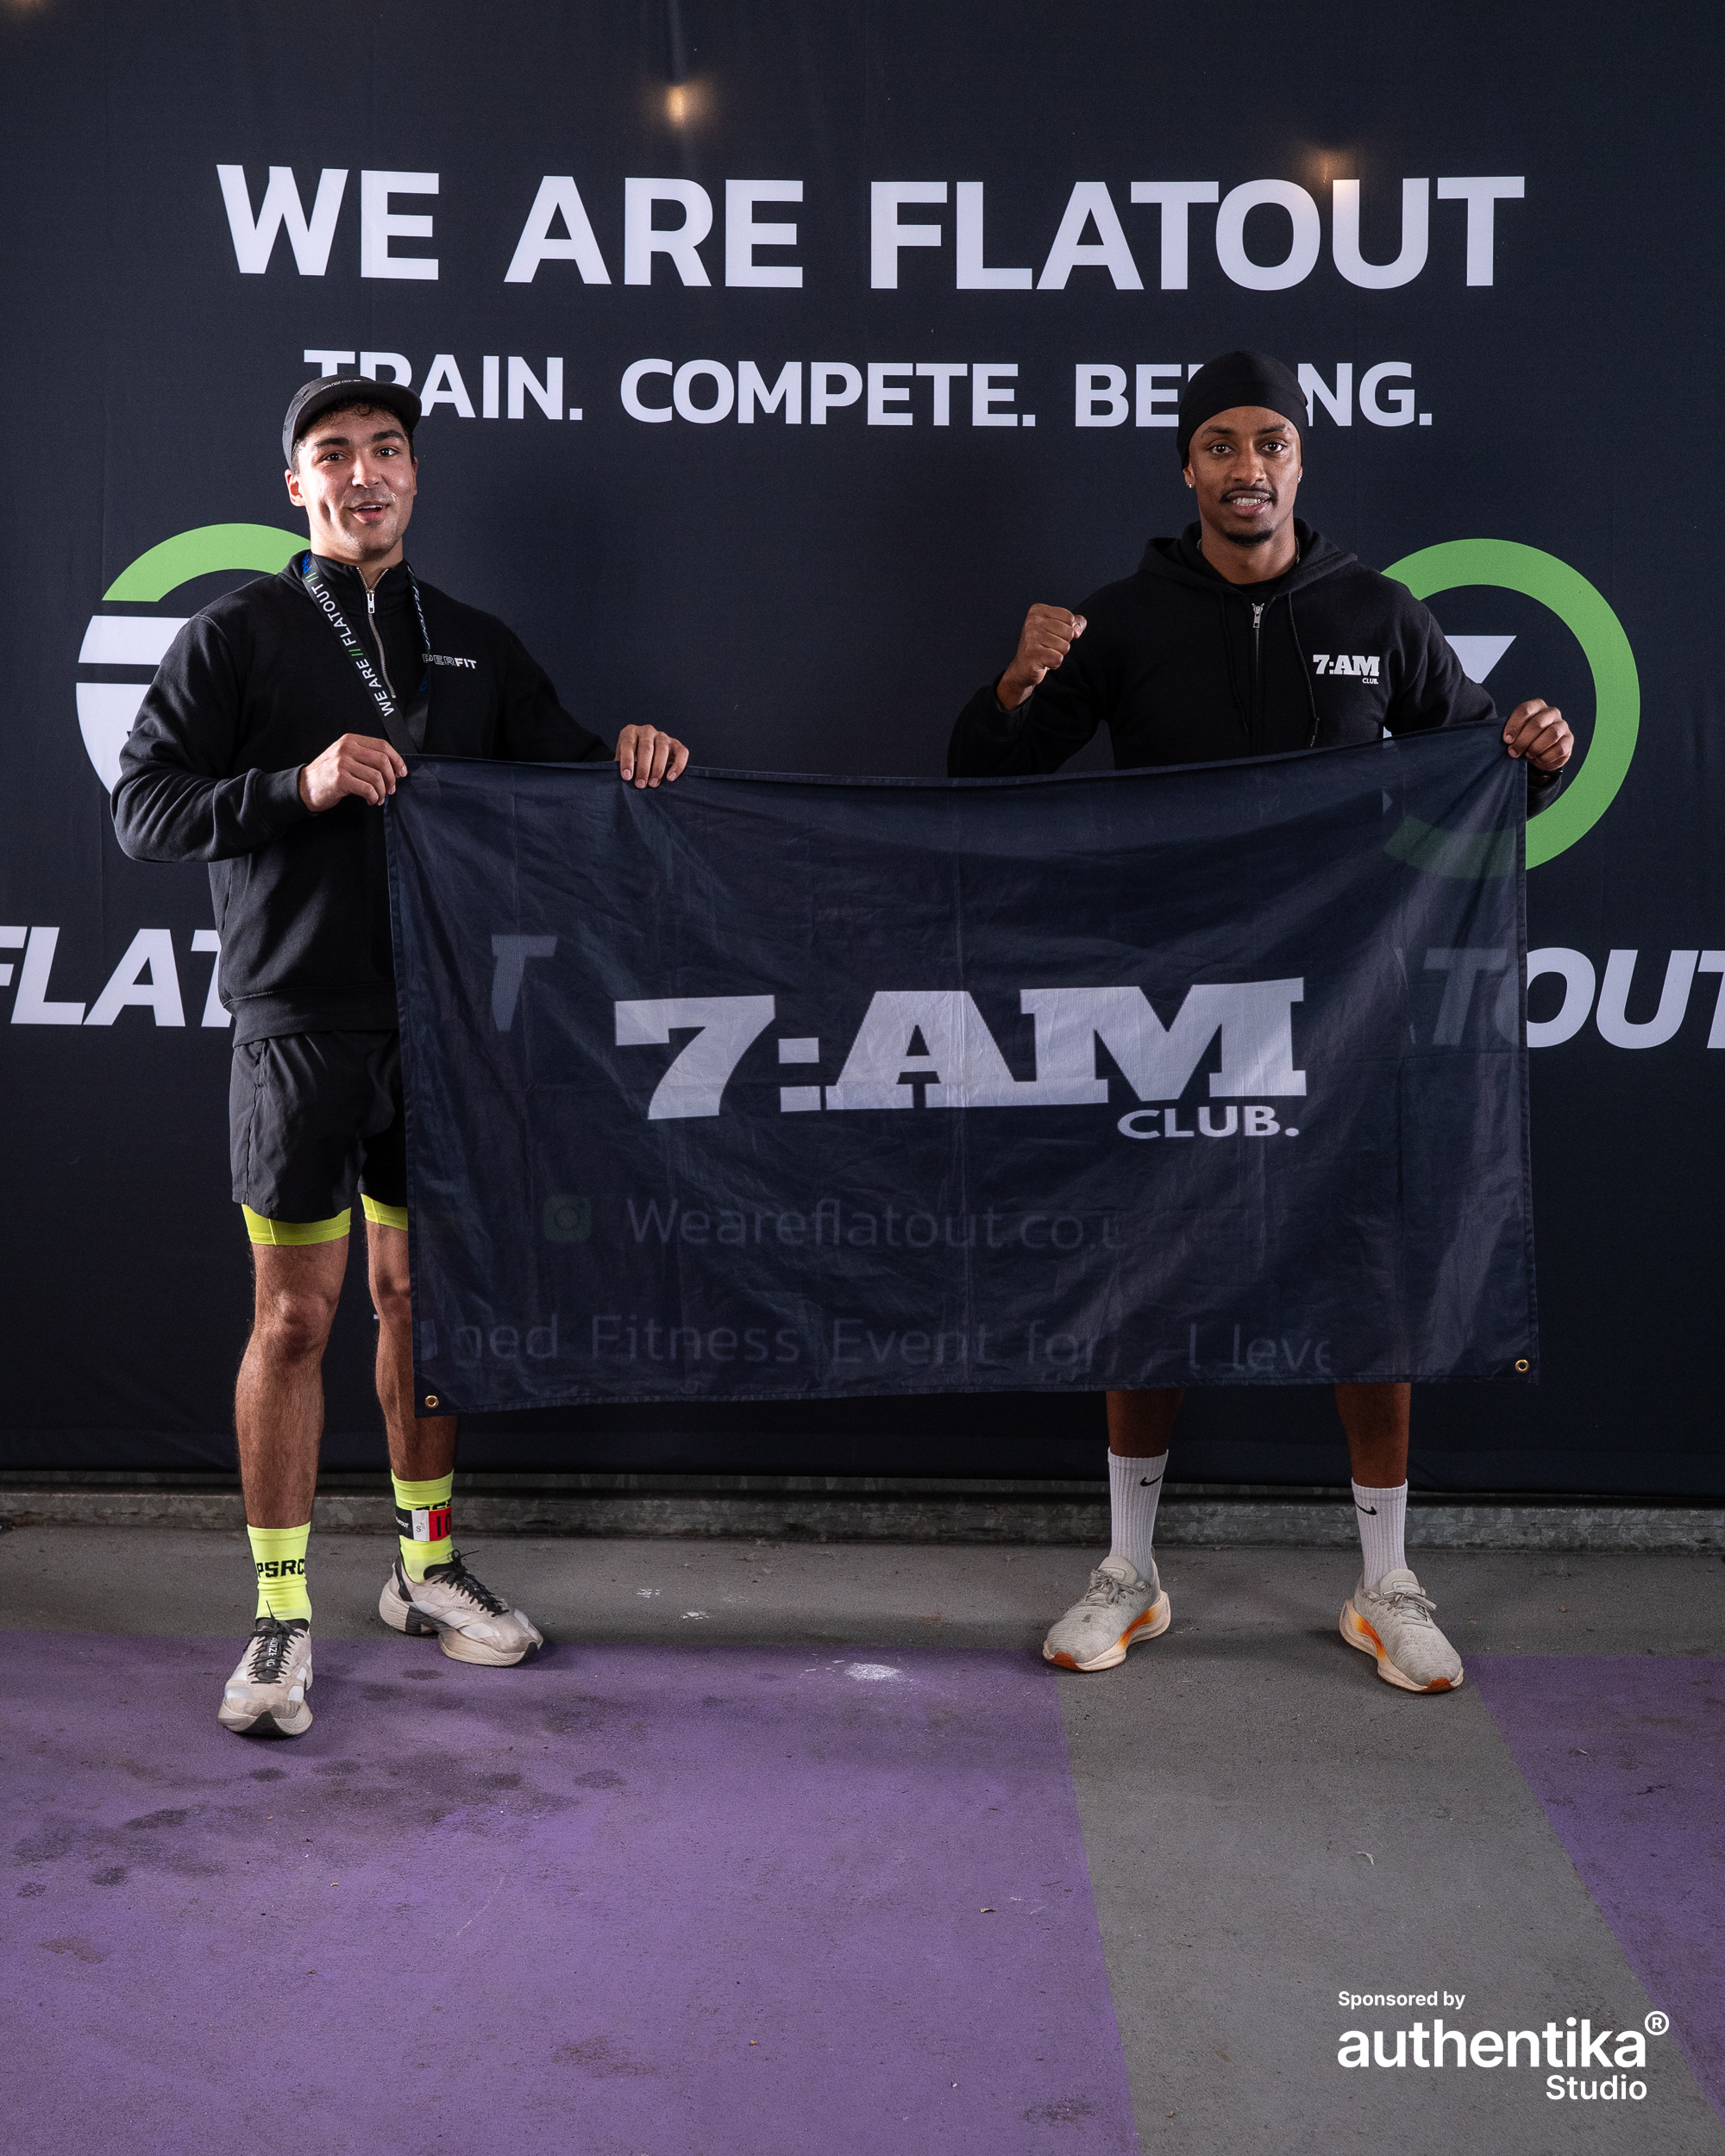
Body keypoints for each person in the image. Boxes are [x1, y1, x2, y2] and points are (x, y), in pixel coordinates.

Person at [948, 349, 1572, 1696]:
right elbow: (987, 773)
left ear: (1301, 460)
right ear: (1187, 465)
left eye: (1270, 442)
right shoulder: (1121, 620)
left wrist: (1536, 753)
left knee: (1370, 1277)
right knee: (1147, 1276)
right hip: (1164, 1001)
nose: (1248, 468)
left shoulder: (1379, 611)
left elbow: (1485, 772)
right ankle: (1130, 1570)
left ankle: (1384, 1582)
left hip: (1346, 1005)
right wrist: (1016, 683)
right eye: (1222, 444)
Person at [113, 375, 690, 1737]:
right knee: (294, 1320)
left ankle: (424, 1569)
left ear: (415, 477)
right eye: (333, 455)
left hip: (448, 1027)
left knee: (419, 1302)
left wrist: (630, 753)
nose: (362, 473)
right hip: (301, 1024)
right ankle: (279, 1614)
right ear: (296, 487)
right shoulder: (237, 632)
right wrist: (298, 784)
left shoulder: (474, 643)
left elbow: (567, 780)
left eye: (385, 450)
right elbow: (142, 807)